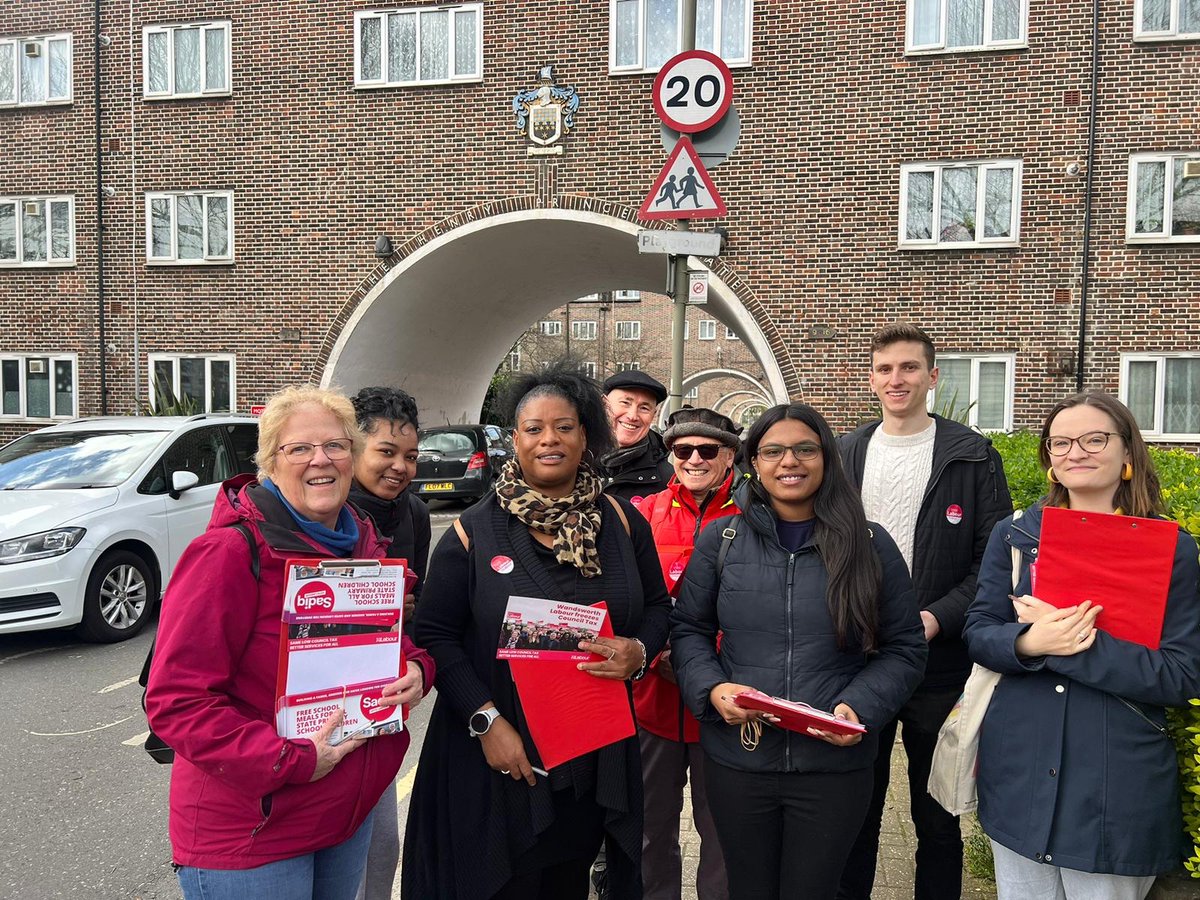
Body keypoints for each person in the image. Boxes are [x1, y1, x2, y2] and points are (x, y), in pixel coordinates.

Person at [144, 385, 434, 900]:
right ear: (269, 462)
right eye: (298, 448)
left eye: (335, 445)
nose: (320, 460)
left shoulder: (362, 541)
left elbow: (384, 642)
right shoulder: (228, 553)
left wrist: (415, 670)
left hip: (344, 814)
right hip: (253, 831)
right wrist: (291, 759)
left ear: (352, 454)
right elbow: (176, 704)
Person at [401, 365, 673, 900]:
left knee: (566, 880)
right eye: (533, 428)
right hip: (499, 759)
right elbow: (436, 635)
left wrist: (639, 651)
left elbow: (659, 608)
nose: (550, 439)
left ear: (586, 435)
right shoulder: (470, 532)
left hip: (592, 756)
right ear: (515, 440)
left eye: (565, 427)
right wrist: (485, 719)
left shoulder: (622, 523)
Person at [671, 402, 928, 900]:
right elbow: (688, 630)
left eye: (805, 448)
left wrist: (861, 707)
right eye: (773, 451)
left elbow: (904, 648)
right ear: (754, 463)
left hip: (832, 769)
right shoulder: (721, 540)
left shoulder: (870, 546)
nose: (790, 461)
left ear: (826, 459)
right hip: (739, 760)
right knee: (748, 889)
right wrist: (712, 687)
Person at [964, 390, 1200, 900]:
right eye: (1061, 442)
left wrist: (1069, 646)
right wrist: (1028, 642)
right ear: (1049, 459)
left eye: (1095, 439)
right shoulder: (1015, 535)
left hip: (1116, 783)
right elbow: (980, 631)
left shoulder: (1171, 548)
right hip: (1019, 769)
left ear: (1128, 452)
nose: (1077, 452)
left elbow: (1183, 674)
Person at [837, 322, 1011, 900]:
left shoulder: (971, 455)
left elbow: (993, 561)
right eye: (885, 369)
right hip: (858, 663)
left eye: (909, 368)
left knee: (937, 817)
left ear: (932, 376)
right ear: (871, 379)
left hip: (939, 667)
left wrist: (934, 618)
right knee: (854, 814)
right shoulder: (845, 454)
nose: (897, 380)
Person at [633, 407, 742, 900]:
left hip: (723, 704)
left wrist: (703, 663)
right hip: (653, 702)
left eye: (707, 450)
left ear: (730, 456)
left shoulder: (754, 515)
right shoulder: (642, 512)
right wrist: (653, 652)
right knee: (650, 829)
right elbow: (625, 598)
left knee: (723, 835)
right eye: (683, 450)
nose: (694, 459)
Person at [348, 386, 431, 900]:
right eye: (386, 452)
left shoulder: (415, 516)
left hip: (378, 706)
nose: (400, 467)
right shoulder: (325, 510)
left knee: (380, 854)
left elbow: (417, 602)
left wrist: (416, 656)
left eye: (411, 456)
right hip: (308, 709)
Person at [599, 370, 673, 505]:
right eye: (625, 403)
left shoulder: (668, 482)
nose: (633, 416)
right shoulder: (574, 462)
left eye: (644, 408)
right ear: (604, 404)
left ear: (653, 415)